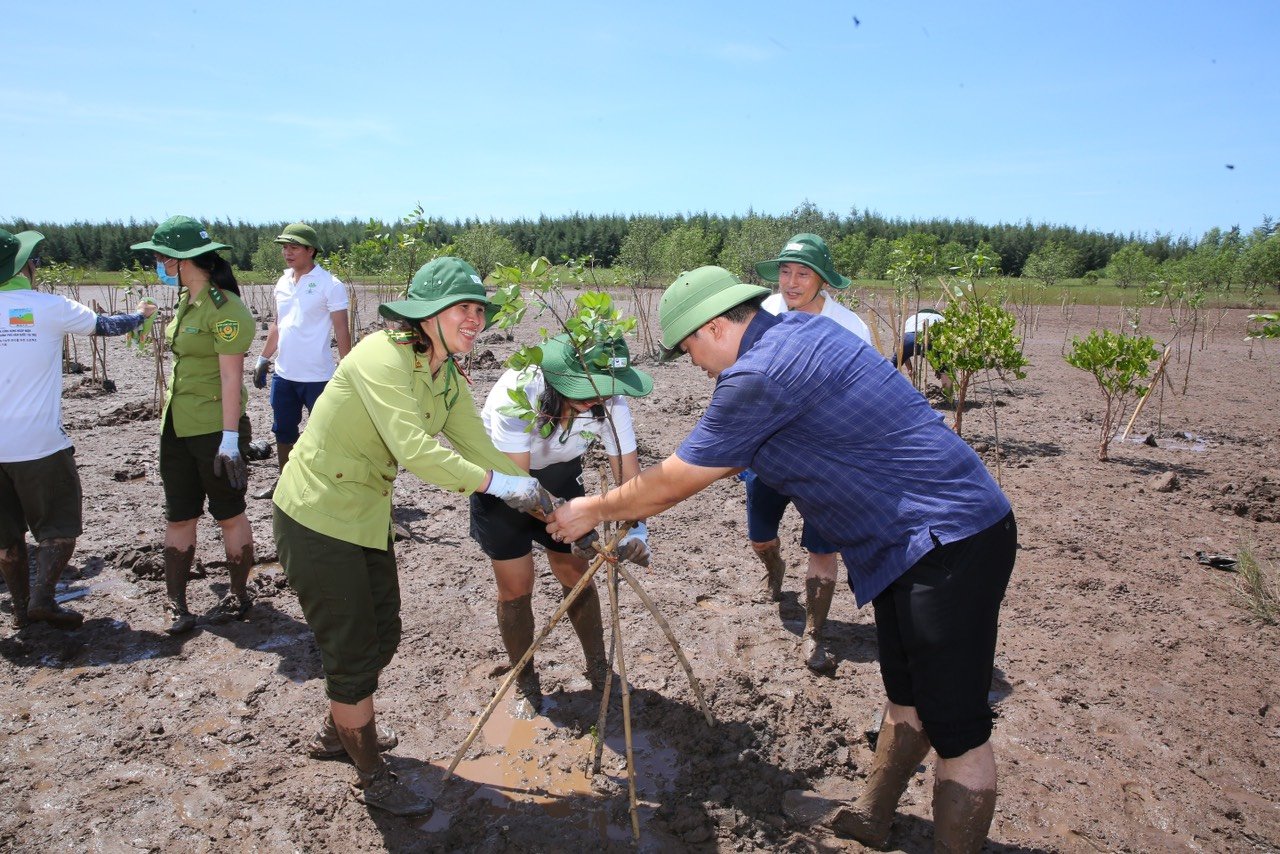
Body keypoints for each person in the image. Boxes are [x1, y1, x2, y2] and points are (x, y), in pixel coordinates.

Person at [548, 266, 1017, 853]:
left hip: (949, 538)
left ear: (717, 327)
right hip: (904, 545)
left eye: (690, 345)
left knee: (959, 731)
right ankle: (873, 817)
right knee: (905, 692)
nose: (693, 361)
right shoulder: (802, 329)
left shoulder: (759, 373)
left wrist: (593, 507)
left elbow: (670, 483)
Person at [272, 257, 543, 817]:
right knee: (351, 654)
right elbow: (417, 452)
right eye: (462, 308)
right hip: (317, 518)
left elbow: (478, 446)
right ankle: (371, 776)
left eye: (479, 310)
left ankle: (335, 730)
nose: (475, 319)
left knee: (383, 636)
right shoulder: (379, 357)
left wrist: (537, 495)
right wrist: (499, 485)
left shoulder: (444, 375)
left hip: (366, 518)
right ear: (426, 314)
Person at [472, 333, 653, 715]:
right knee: (515, 586)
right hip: (504, 481)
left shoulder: (612, 400)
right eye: (587, 390)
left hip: (561, 477)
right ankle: (524, 678)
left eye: (604, 390)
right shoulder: (518, 393)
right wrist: (581, 527)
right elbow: (519, 486)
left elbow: (629, 475)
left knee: (576, 573)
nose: (597, 398)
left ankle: (599, 668)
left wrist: (635, 528)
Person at [0, 228, 156, 629]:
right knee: (59, 527)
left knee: (5, 538)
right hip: (39, 446)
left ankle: (19, 610)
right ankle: (43, 599)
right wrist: (141, 315)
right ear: (27, 266)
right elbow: (107, 326)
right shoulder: (47, 307)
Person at [749, 233, 874, 672]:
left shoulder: (851, 327)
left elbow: (864, 395)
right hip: (771, 449)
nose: (791, 282)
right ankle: (773, 565)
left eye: (803, 273)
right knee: (759, 533)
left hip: (828, 459)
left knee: (823, 550)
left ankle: (815, 633)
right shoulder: (764, 314)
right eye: (785, 271)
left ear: (822, 279)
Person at [130, 216, 257, 635]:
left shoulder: (226, 309)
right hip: (177, 427)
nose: (156, 265)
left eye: (159, 258)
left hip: (214, 430)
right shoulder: (188, 301)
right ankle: (176, 603)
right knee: (179, 514)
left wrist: (231, 440)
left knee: (228, 513)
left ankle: (239, 596)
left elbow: (230, 377)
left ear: (181, 260)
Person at [251, 222, 351, 500]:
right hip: (284, 375)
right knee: (282, 429)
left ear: (311, 250)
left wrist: (348, 366)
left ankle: (329, 488)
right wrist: (263, 357)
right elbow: (278, 324)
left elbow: (341, 328)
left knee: (325, 434)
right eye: (284, 247)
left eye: (294, 247)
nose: (287, 252)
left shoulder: (330, 285)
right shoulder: (282, 282)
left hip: (318, 376)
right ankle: (286, 483)